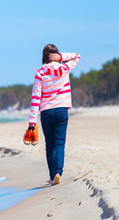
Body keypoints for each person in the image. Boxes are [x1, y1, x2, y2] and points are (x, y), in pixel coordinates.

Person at [28, 44, 81, 186]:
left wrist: (32, 122)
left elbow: (35, 98)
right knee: (59, 144)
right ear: (56, 55)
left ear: (44, 56)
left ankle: (52, 177)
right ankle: (58, 172)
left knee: (50, 145)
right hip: (61, 111)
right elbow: (77, 56)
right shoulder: (64, 68)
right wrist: (62, 57)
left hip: (46, 112)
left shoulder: (40, 72)